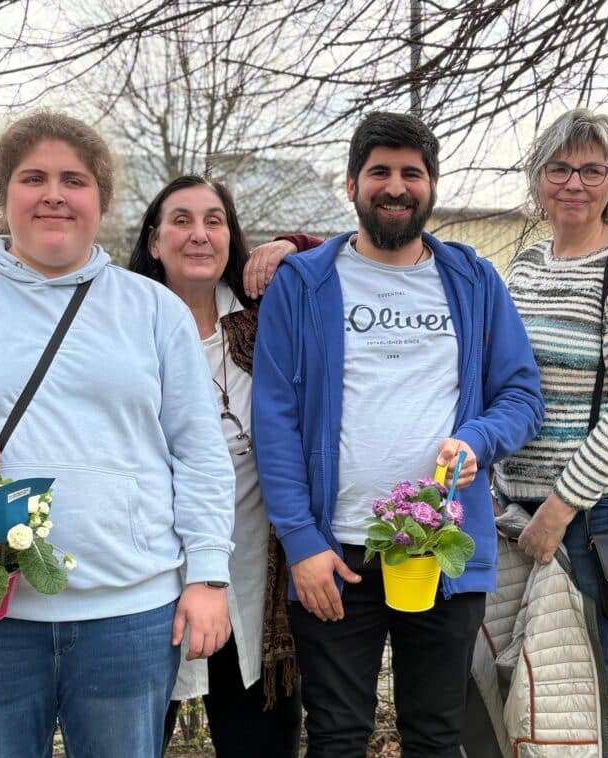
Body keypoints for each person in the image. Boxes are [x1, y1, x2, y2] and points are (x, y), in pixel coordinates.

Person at [0, 112, 235, 758]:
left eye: (73, 181)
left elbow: (199, 452)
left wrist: (209, 575)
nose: (54, 194)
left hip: (128, 615)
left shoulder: (154, 310)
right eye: (34, 178)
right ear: (5, 194)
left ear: (101, 200)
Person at [251, 111, 545, 758]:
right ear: (352, 184)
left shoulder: (474, 282)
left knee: (436, 739)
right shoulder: (303, 284)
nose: (395, 186)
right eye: (379, 171)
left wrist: (478, 439)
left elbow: (522, 396)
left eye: (411, 173)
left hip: (441, 552)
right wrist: (301, 542)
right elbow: (274, 421)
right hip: (336, 556)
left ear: (431, 186)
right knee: (335, 738)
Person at [498, 107, 608, 758]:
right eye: (559, 168)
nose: (574, 183)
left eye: (592, 170)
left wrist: (561, 505)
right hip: (523, 512)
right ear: (538, 180)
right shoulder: (526, 267)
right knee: (544, 688)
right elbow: (509, 382)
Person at [128, 175, 309, 757]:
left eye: (215, 221)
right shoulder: (122, 331)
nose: (199, 234)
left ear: (233, 238)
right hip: (147, 583)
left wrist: (292, 244)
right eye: (180, 221)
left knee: (261, 745)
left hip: (252, 584)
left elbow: (352, 259)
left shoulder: (267, 322)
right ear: (154, 242)